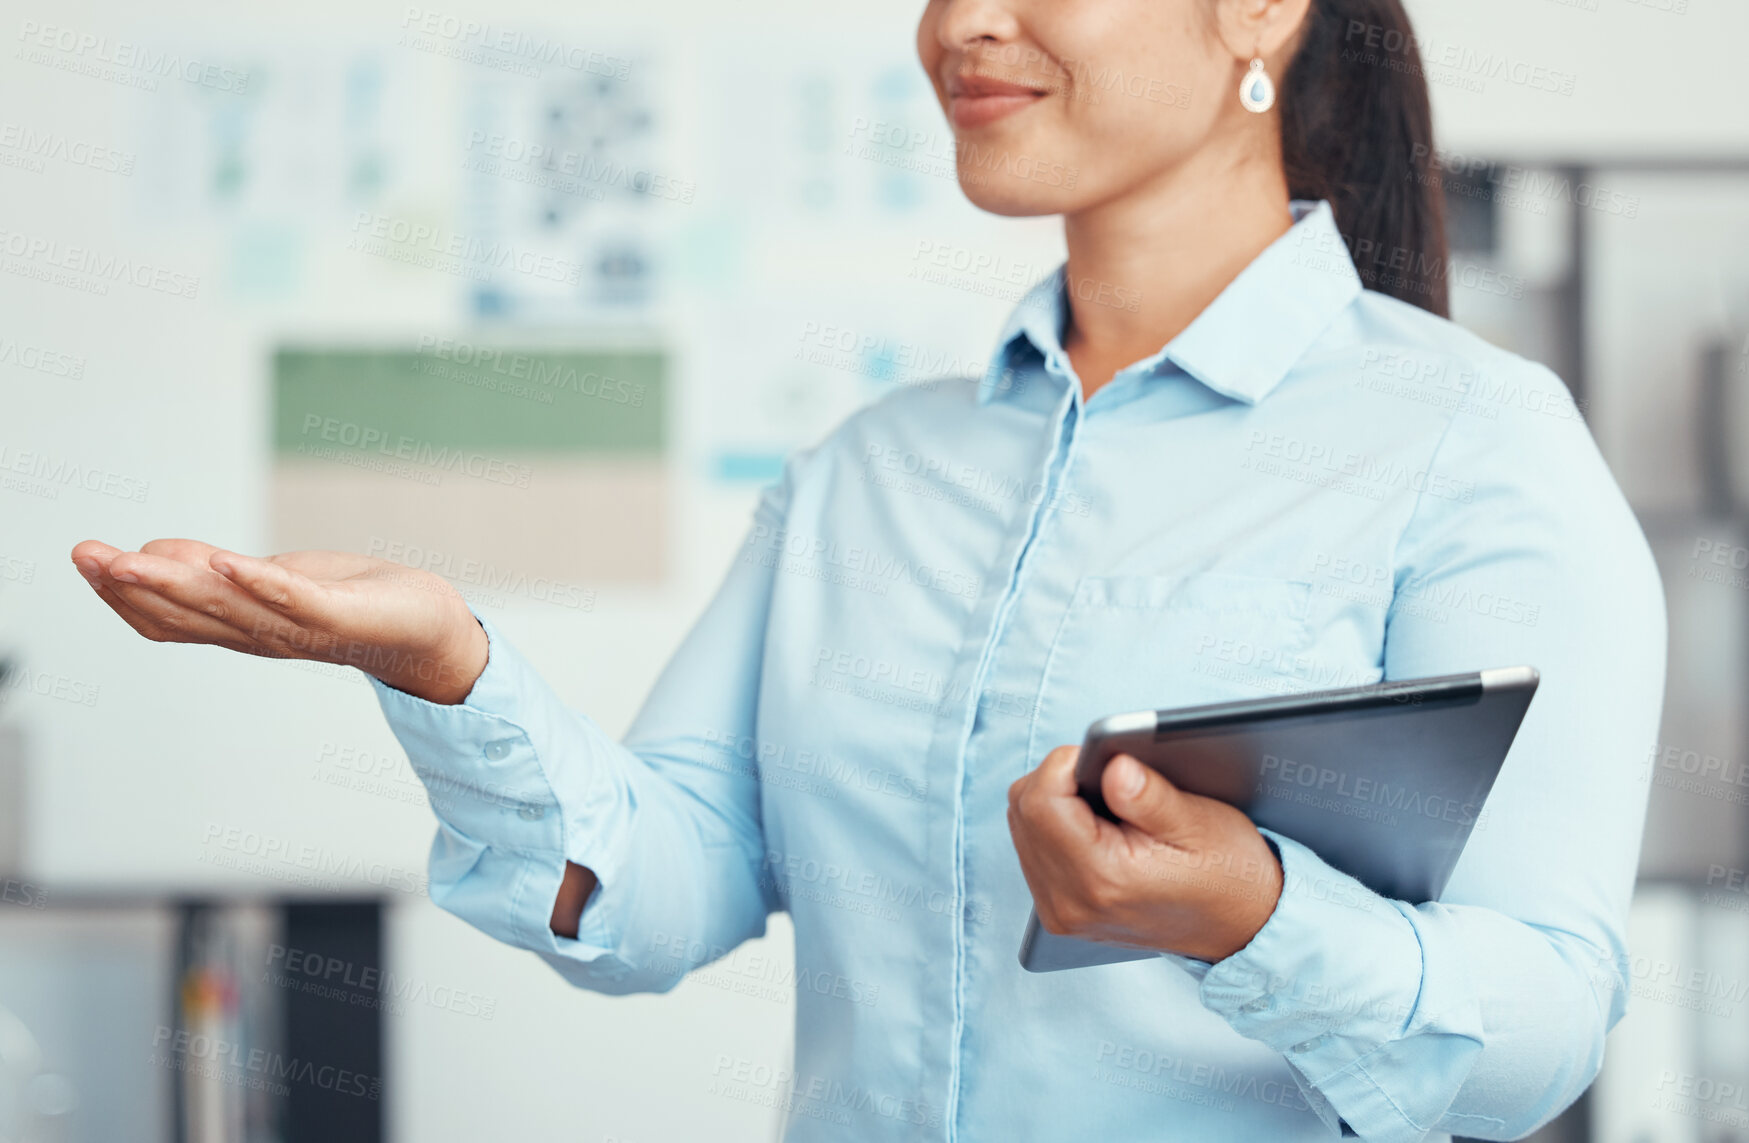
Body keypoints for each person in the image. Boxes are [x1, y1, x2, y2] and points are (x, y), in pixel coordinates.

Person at [71, 0, 1666, 1138]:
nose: (961, 24)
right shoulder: (867, 473)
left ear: (1258, 13)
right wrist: (448, 669)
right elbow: (662, 893)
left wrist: (1247, 916)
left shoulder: (1472, 444)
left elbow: (1532, 1032)